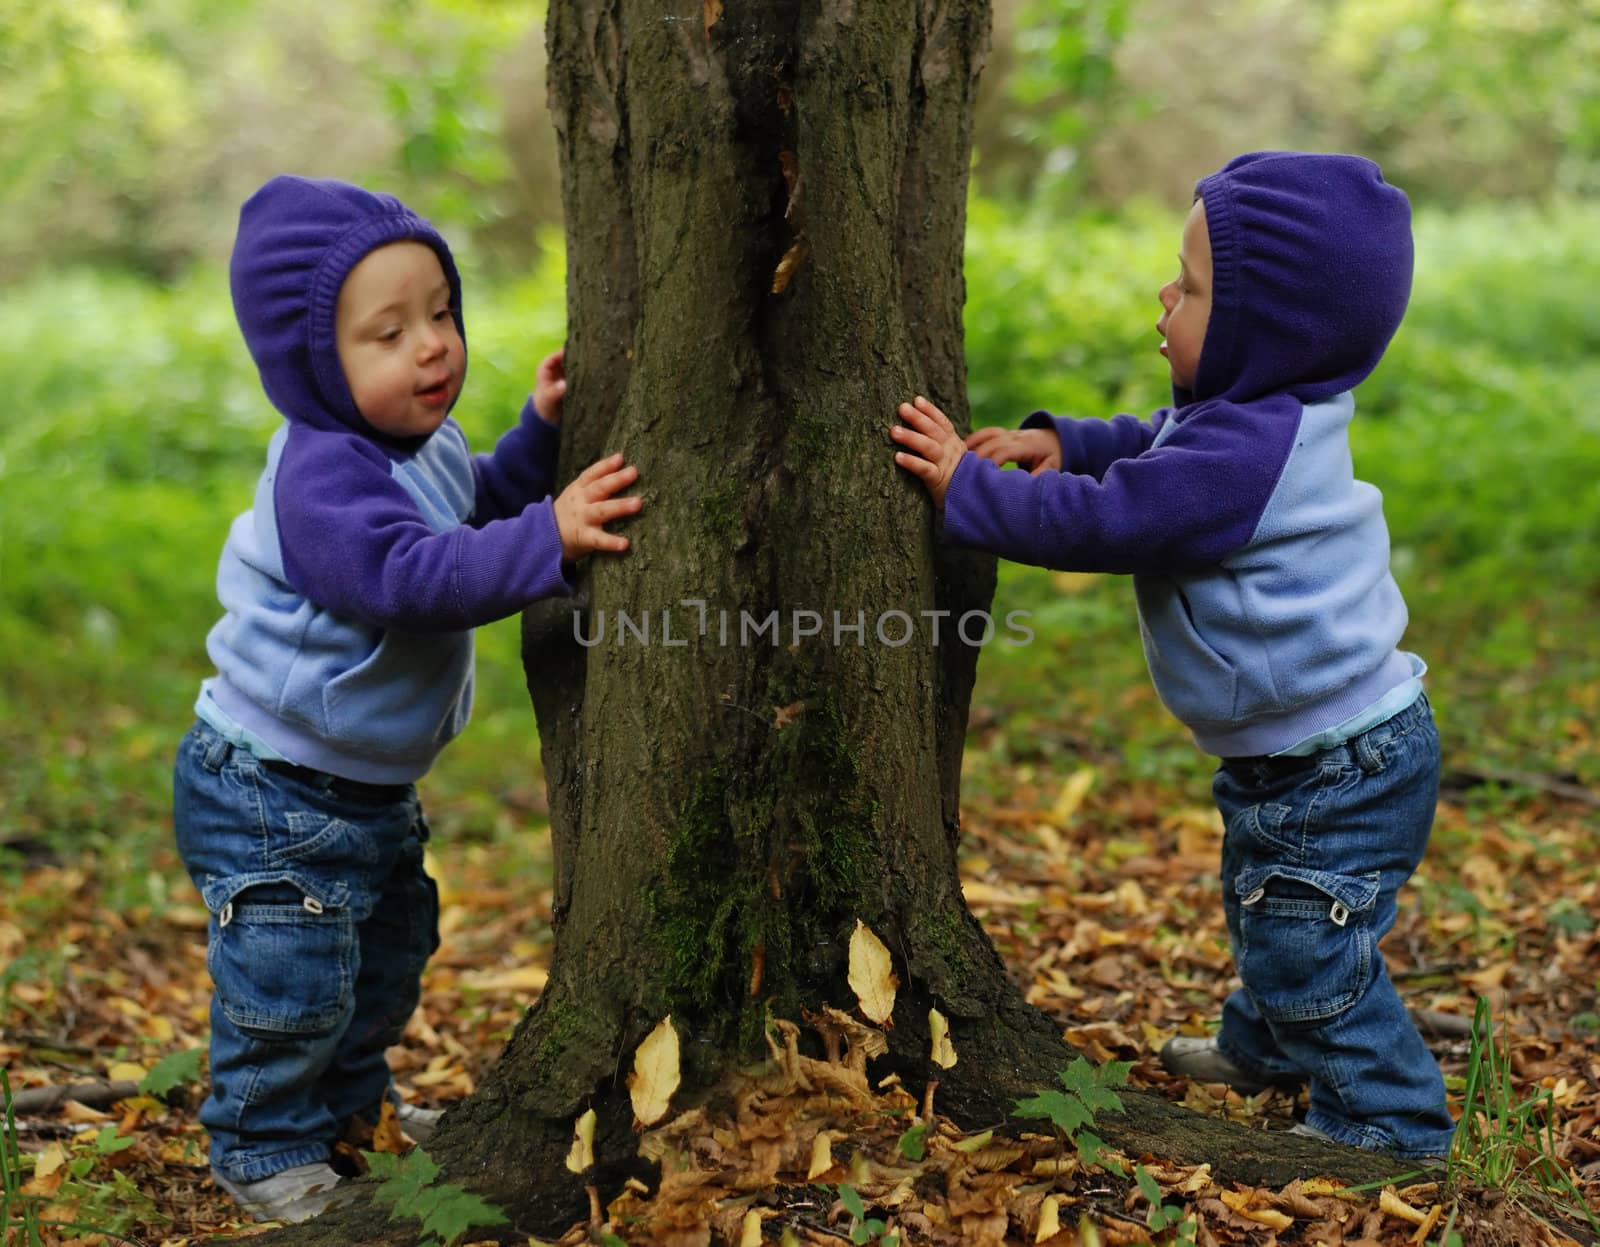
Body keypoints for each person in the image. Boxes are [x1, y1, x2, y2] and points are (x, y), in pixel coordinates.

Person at [890, 151, 1455, 1159]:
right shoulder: (1252, 417)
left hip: (1338, 764)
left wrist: (965, 491)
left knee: (1302, 936)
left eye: (1190, 288)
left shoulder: (1245, 454)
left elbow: (1122, 520)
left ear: (1257, 333)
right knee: (1268, 909)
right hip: (1316, 749)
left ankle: (1391, 1123)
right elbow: (1158, 443)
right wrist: (1067, 442)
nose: (1165, 296)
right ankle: (1268, 1049)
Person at [173, 175, 642, 1221]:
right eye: (386, 333)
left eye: (439, 312)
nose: (430, 346)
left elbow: (465, 498)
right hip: (273, 790)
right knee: (290, 979)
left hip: (362, 786)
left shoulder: (408, 443)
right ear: (314, 367)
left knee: (380, 963)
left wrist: (537, 444)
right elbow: (407, 578)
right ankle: (260, 1140)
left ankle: (354, 1112)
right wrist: (547, 539)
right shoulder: (323, 479)